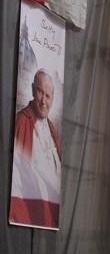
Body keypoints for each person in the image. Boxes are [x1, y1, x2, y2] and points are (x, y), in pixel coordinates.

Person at [9, 68, 62, 229]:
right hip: (27, 211)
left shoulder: (52, 130)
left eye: (48, 96)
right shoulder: (21, 121)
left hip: (50, 212)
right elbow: (16, 175)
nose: (43, 101)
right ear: (33, 90)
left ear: (52, 99)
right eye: (40, 92)